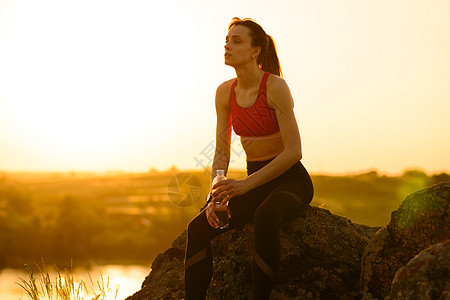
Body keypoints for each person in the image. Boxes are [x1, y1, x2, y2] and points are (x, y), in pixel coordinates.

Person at [184, 17, 314, 299]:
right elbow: (221, 152)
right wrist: (216, 196)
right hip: (256, 179)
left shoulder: (276, 87)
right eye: (227, 41)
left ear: (256, 51)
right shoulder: (224, 92)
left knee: (265, 215)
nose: (228, 46)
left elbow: (294, 151)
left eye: (237, 41)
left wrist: (244, 185)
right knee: (197, 229)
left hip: (291, 180)